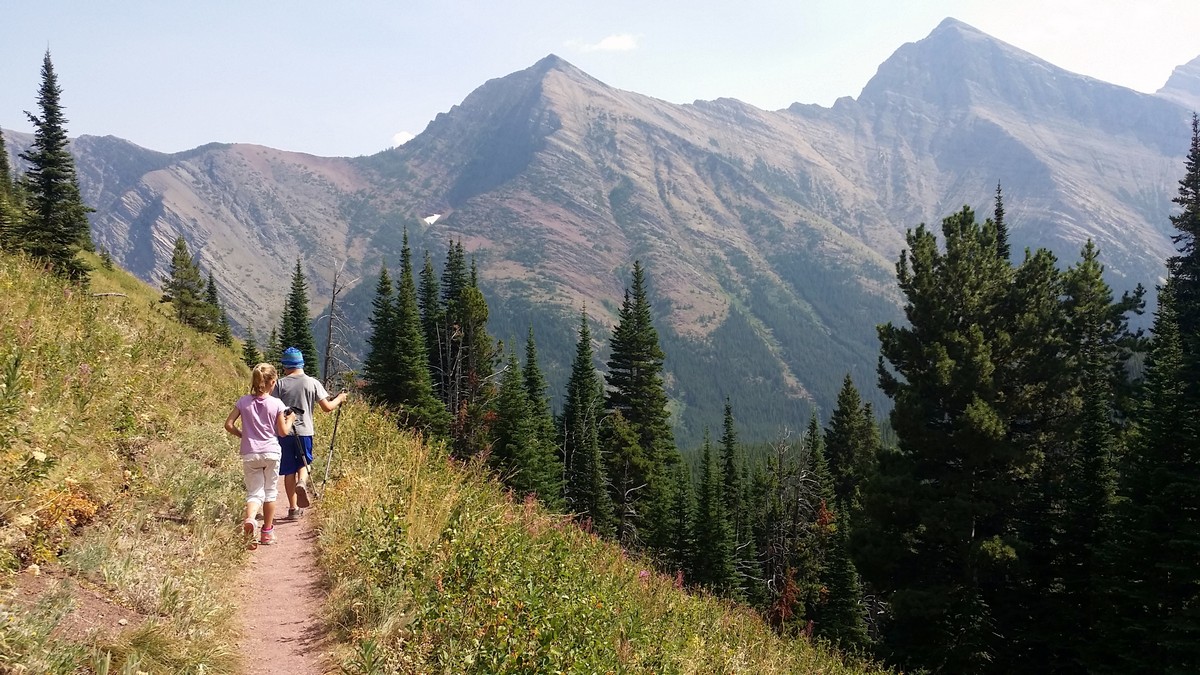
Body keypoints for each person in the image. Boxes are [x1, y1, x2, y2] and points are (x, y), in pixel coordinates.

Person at [225, 363, 295, 548]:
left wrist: (243, 435)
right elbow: (282, 432)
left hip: (250, 453)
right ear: (272, 382)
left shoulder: (243, 402)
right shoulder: (277, 404)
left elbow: (229, 424)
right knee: (270, 493)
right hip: (271, 451)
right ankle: (267, 533)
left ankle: (250, 519)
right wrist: (290, 420)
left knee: (254, 493)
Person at [273, 347, 347, 518]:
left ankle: (292, 509)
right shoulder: (311, 382)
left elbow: (273, 408)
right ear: (302, 364)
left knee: (288, 470)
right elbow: (327, 407)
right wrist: (340, 398)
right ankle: (302, 481)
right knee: (305, 462)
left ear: (285, 365)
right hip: (305, 431)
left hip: (285, 432)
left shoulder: (280, 384)